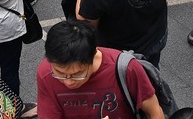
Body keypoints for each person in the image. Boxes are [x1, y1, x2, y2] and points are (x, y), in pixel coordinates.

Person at [37, 20, 165, 119]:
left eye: (77, 74)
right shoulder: (45, 73)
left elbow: (155, 112)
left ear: (93, 55)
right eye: (60, 74)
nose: (68, 82)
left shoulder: (127, 69)